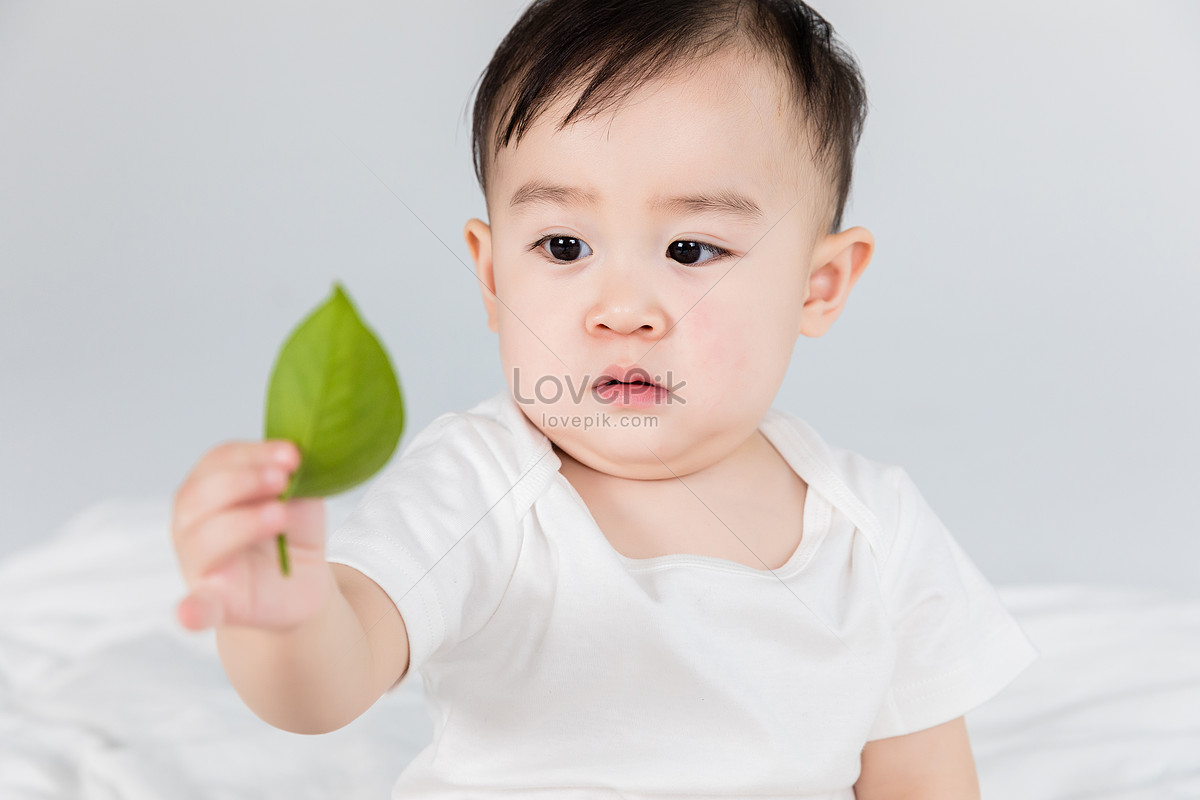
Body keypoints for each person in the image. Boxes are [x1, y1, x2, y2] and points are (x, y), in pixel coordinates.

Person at [170, 1, 1039, 797]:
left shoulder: (873, 533)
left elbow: (922, 777)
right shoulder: (483, 488)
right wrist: (283, 617)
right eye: (562, 244)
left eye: (692, 250)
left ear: (818, 285)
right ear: (492, 274)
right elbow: (335, 673)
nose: (622, 309)